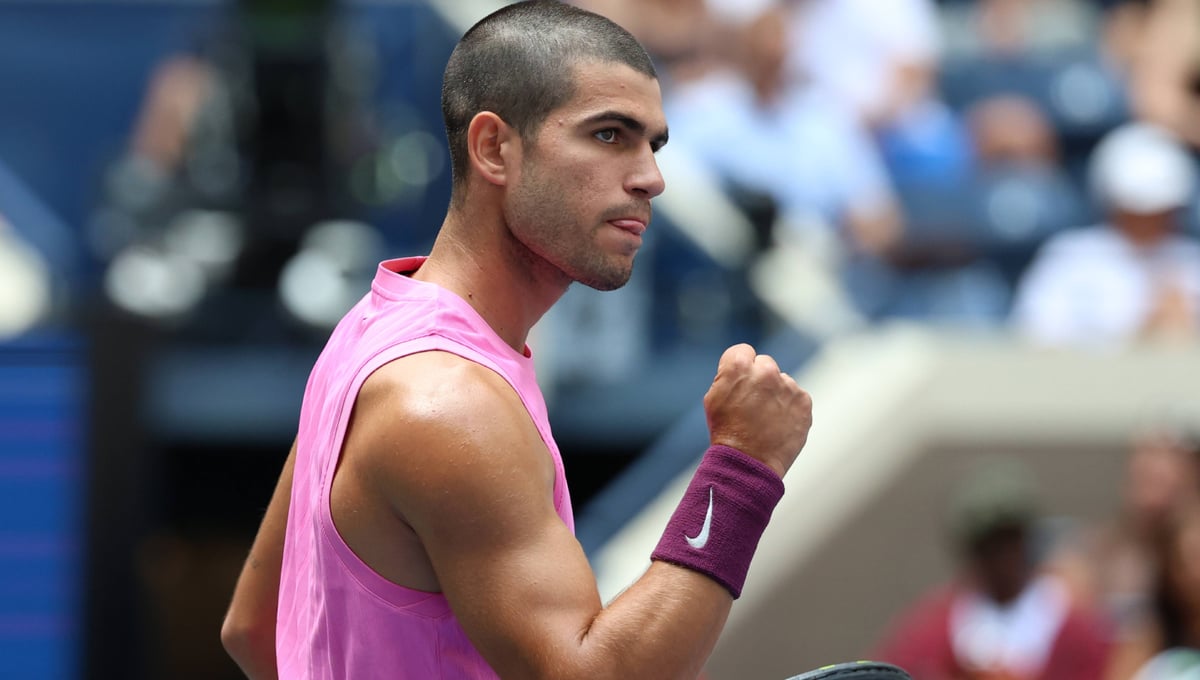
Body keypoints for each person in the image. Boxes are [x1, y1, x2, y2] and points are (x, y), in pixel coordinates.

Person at [219, 2, 814, 679]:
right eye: (611, 135)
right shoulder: (451, 404)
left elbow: (258, 628)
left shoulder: (368, 334)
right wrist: (743, 467)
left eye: (654, 144)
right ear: (494, 147)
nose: (651, 177)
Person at [871, 458, 1112, 680]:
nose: (1003, 557)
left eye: (1010, 540)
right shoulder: (931, 630)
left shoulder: (1075, 628)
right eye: (989, 546)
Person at [1011, 122, 1200, 349]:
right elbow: (1031, 336)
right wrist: (1138, 332)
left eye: (1160, 212)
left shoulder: (1192, 262)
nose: (1148, 222)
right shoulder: (1069, 258)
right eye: (1134, 212)